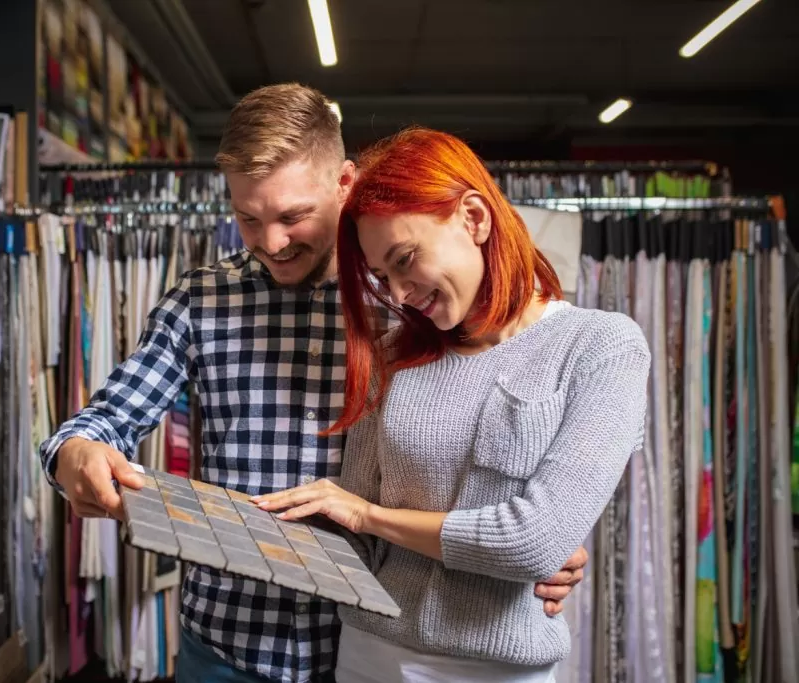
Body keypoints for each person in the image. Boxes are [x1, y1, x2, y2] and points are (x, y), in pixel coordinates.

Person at [39, 85, 587, 683]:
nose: (271, 242)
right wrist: (75, 452)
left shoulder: (411, 300)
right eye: (248, 218)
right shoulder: (199, 302)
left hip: (370, 653)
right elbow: (105, 419)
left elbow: (476, 459)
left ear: (345, 184)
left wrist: (537, 547)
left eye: (293, 216)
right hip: (226, 645)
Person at [252, 127, 651, 683]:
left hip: (497, 670)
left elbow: (532, 542)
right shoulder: (393, 354)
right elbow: (355, 539)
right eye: (383, 276)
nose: (397, 295)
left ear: (474, 218)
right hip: (369, 655)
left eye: (405, 258)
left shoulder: (601, 348)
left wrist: (373, 516)